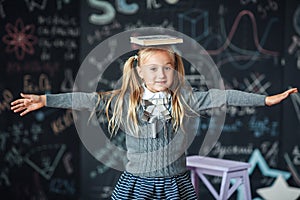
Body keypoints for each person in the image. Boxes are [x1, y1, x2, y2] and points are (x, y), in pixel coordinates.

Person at [11, 46, 298, 200]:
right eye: (153, 69)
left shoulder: (185, 99)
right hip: (137, 183)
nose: (161, 74)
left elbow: (223, 96)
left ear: (175, 71)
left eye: (168, 68)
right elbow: (85, 99)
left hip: (175, 183)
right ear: (138, 71)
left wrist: (265, 100)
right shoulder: (124, 100)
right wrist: (46, 100)